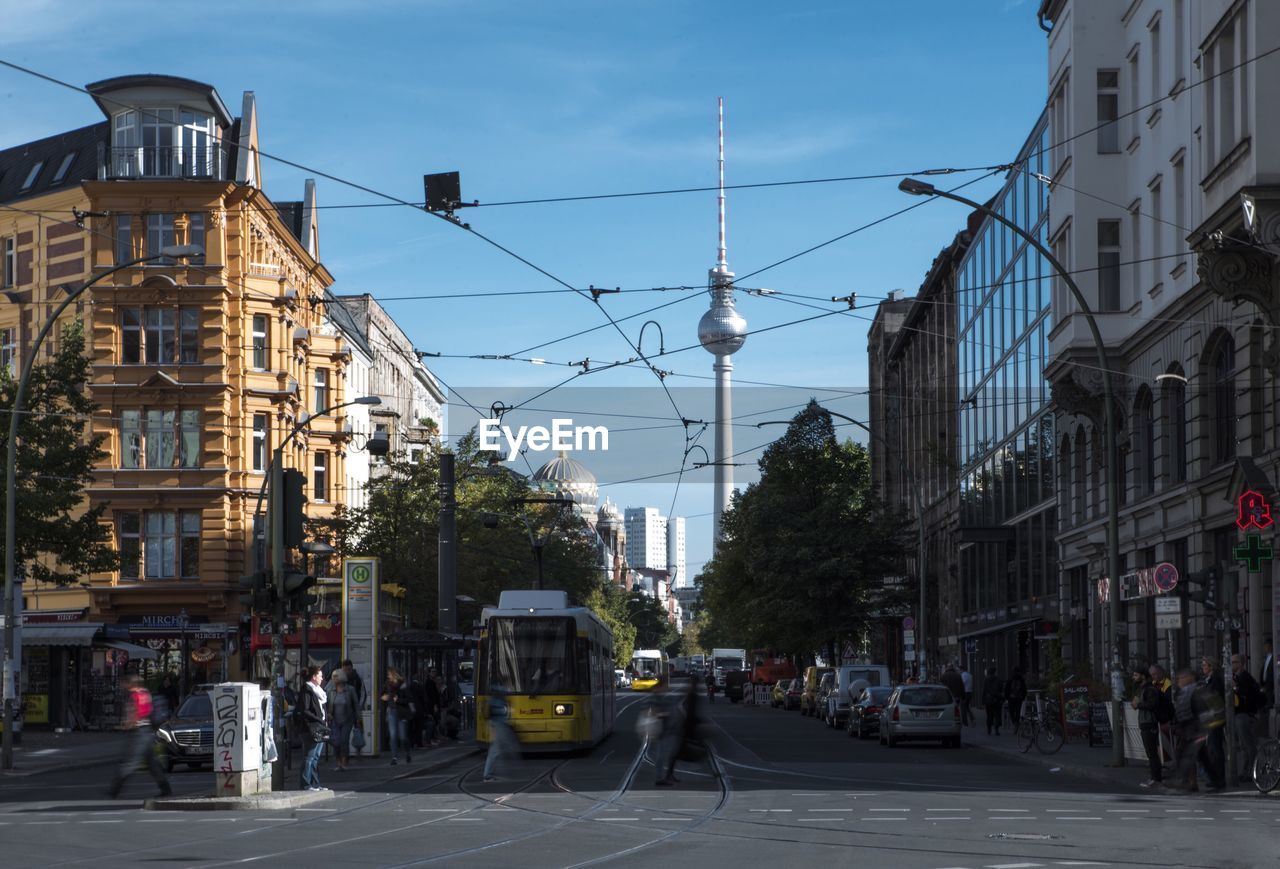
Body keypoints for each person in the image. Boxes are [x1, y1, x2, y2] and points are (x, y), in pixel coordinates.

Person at [107, 674, 171, 799]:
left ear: (130, 684)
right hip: (147, 731)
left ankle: (114, 789)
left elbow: (138, 713)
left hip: (139, 732)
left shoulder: (135, 695)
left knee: (130, 762)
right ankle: (165, 787)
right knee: (152, 763)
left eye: (124, 683)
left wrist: (128, 724)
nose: (122, 685)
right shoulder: (145, 693)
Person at [1231, 653, 1263, 784]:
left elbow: (1246, 695)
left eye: (1234, 662)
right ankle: (1246, 772)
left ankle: (1252, 772)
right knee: (1244, 746)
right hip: (1239, 714)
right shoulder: (1237, 677)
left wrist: (1235, 687)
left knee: (1248, 745)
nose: (1231, 665)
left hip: (1244, 715)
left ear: (1241, 664)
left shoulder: (1244, 677)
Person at [1170, 667, 1204, 792]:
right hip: (1188, 726)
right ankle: (1189, 781)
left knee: (1187, 753)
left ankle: (1189, 781)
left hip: (1194, 726)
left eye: (1182, 678)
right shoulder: (1182, 691)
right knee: (1185, 753)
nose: (1179, 680)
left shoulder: (1195, 690)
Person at [1130, 666, 1162, 788]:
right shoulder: (1141, 688)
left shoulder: (1149, 689)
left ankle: (1156, 778)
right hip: (1144, 722)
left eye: (1136, 675)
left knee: (1152, 752)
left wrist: (1139, 705)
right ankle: (1154, 777)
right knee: (1150, 752)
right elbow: (1136, 703)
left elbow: (1152, 705)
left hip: (1150, 722)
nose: (1134, 677)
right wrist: (1136, 704)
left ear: (1143, 676)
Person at [298, 665, 327, 791]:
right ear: (314, 677)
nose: (322, 678)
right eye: (320, 676)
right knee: (309, 756)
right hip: (310, 728)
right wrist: (319, 719)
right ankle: (305, 784)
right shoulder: (307, 690)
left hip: (320, 727)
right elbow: (305, 710)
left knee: (315, 757)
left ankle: (315, 784)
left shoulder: (318, 690)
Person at [1199, 656, 1226, 789]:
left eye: (1204, 665)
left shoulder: (1216, 679)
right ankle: (1216, 778)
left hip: (1216, 717)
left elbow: (1215, 697)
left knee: (1215, 748)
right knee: (1213, 748)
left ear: (1211, 666)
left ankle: (1219, 779)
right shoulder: (1209, 679)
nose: (1202, 667)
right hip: (1211, 717)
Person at [483, 683, 520, 782]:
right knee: (498, 750)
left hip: (498, 726)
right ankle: (488, 775)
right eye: (504, 694)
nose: (505, 695)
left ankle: (488, 774)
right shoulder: (496, 702)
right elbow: (497, 715)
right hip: (499, 726)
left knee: (495, 750)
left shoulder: (496, 701)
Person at [381, 669, 413, 765]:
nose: (388, 676)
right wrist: (384, 697)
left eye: (390, 674)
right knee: (393, 735)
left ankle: (408, 752)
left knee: (403, 737)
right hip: (392, 711)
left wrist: (398, 700)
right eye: (388, 675)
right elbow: (381, 694)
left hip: (402, 712)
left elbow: (409, 699)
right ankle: (394, 757)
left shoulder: (403, 685)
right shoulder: (387, 684)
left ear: (395, 675)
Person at [327, 669, 357, 772]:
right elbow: (327, 703)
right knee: (336, 742)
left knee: (344, 740)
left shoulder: (350, 690)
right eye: (333, 676)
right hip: (334, 720)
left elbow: (356, 705)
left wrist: (359, 719)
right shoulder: (331, 690)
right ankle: (338, 762)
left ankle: (344, 762)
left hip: (347, 719)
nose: (334, 679)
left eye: (336, 676)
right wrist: (328, 714)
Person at [982, 667, 1004, 736]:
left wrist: (983, 700)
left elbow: (984, 691)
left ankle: (989, 729)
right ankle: (996, 729)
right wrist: (1001, 698)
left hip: (988, 700)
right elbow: (1001, 690)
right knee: (997, 715)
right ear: (995, 672)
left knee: (989, 715)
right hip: (996, 700)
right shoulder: (998, 680)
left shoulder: (986, 680)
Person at [1005, 666, 1027, 730]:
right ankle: (1016, 723)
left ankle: (1014, 723)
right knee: (1018, 711)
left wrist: (1007, 697)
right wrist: (1023, 697)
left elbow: (1007, 689)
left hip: (1011, 698)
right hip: (1019, 698)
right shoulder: (1021, 680)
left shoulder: (1010, 679)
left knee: (1011, 711)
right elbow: (1024, 689)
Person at [1261, 639, 1275, 725]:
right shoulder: (1267, 657)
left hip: (1271, 683)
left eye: (1266, 646)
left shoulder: (1274, 656)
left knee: (1270, 702)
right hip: (1266, 684)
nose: (1265, 648)